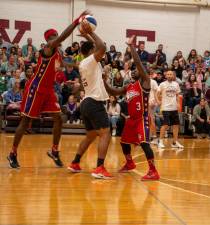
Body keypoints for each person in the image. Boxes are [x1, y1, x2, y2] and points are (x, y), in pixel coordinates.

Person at [7, 10, 89, 168]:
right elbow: (62, 37)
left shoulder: (57, 53)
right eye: (55, 36)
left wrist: (76, 65)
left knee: (58, 118)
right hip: (36, 88)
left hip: (48, 90)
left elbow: (62, 65)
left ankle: (54, 150)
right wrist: (76, 21)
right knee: (25, 122)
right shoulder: (48, 48)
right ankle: (12, 154)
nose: (58, 38)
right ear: (50, 39)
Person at [103, 35, 160, 181]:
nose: (134, 70)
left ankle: (153, 171)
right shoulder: (129, 86)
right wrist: (104, 81)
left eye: (137, 70)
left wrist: (131, 47)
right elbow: (114, 92)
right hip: (131, 120)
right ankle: (129, 163)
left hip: (142, 119)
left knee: (144, 143)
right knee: (124, 142)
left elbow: (140, 64)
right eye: (133, 69)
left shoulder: (145, 82)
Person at [68, 20, 112, 179]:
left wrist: (88, 36)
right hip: (93, 102)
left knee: (91, 135)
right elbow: (102, 47)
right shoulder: (89, 61)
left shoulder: (86, 64)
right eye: (94, 49)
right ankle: (99, 168)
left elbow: (98, 48)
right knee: (106, 134)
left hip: (86, 102)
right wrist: (89, 33)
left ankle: (75, 162)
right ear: (91, 51)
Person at [157, 70, 184, 149]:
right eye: (168, 74)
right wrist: (158, 101)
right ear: (166, 76)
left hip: (174, 107)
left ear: (173, 75)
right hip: (165, 108)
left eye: (170, 74)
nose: (169, 75)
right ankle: (160, 141)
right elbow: (157, 93)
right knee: (165, 125)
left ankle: (175, 142)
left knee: (176, 125)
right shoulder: (162, 84)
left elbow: (178, 95)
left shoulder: (176, 84)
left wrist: (178, 103)